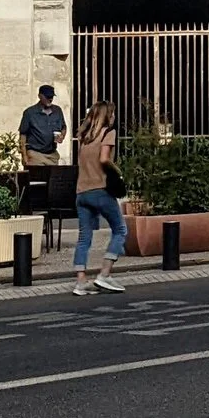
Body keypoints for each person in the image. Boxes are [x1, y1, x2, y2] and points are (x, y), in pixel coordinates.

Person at [72, 101, 126, 295]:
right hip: (100, 189)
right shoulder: (108, 133)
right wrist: (118, 171)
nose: (114, 117)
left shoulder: (84, 137)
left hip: (81, 192)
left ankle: (81, 281)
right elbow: (104, 159)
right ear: (107, 115)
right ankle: (105, 274)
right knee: (120, 230)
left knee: (84, 237)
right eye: (113, 114)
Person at [19, 85, 69, 169]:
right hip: (35, 154)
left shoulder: (57, 111)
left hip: (52, 155)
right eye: (47, 97)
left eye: (51, 97)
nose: (50, 99)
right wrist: (24, 155)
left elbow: (63, 127)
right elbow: (23, 135)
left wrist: (62, 136)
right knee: (37, 177)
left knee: (53, 177)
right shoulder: (30, 113)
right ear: (40, 96)